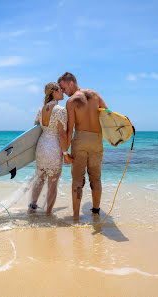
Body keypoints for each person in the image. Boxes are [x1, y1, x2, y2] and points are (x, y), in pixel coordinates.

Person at [58, 72, 108, 221]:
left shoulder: (72, 101)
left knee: (77, 180)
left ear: (71, 83)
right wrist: (114, 138)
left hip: (80, 140)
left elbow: (70, 128)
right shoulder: (95, 95)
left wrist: (65, 153)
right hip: (97, 140)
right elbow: (107, 116)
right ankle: (96, 212)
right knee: (96, 178)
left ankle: (75, 217)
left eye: (63, 87)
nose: (63, 92)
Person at [28, 82, 71, 215]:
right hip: (54, 147)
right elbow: (62, 134)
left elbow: (35, 129)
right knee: (52, 184)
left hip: (41, 147)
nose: (62, 92)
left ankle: (32, 209)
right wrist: (65, 153)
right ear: (54, 92)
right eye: (60, 90)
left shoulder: (41, 110)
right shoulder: (60, 110)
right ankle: (48, 214)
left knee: (39, 180)